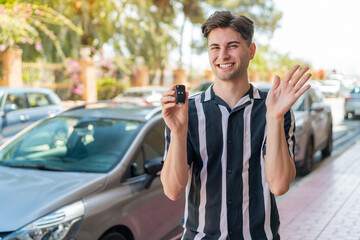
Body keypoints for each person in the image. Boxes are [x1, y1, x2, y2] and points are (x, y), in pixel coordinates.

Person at [160, 11, 311, 240]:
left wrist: (275, 118)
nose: (223, 55)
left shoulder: (274, 109)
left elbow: (279, 185)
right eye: (215, 47)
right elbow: (172, 190)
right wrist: (178, 131)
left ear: (251, 51)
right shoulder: (185, 113)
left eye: (232, 46)